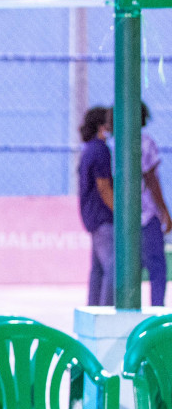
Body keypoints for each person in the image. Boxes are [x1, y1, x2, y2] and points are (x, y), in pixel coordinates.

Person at [80, 106, 115, 306]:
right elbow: (103, 187)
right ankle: (107, 311)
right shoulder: (101, 150)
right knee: (113, 267)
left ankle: (94, 308)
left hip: (93, 218)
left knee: (98, 268)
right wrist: (119, 212)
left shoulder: (89, 149)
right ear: (103, 126)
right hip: (103, 218)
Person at [142, 106, 171, 307]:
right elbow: (151, 179)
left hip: (125, 217)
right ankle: (156, 310)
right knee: (157, 267)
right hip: (147, 214)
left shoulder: (114, 143)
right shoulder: (145, 143)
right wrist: (164, 211)